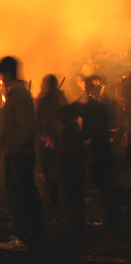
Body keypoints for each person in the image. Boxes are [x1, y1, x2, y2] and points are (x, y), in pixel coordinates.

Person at [61, 75, 121, 233]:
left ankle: (113, 221)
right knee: (105, 185)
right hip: (101, 148)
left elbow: (83, 118)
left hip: (100, 150)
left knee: (105, 184)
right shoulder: (96, 105)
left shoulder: (94, 106)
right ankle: (113, 219)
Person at [0, 56, 45, 251]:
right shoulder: (21, 95)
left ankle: (22, 238)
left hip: (18, 154)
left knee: (18, 197)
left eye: (2, 75)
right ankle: (37, 234)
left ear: (7, 73)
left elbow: (27, 128)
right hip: (20, 152)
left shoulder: (18, 96)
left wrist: (10, 144)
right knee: (29, 194)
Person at [35, 74, 66, 207]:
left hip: (46, 136)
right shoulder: (60, 97)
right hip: (57, 134)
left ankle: (51, 194)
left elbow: (37, 117)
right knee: (55, 163)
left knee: (48, 164)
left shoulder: (44, 99)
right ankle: (55, 194)